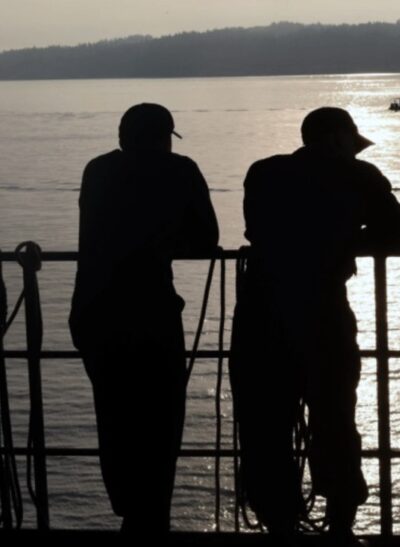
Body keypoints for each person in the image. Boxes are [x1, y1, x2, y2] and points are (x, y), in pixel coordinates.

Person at [229, 107, 400, 545]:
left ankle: (279, 526)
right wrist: (344, 242)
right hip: (323, 310)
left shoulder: (264, 172)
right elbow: (397, 232)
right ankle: (341, 527)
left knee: (265, 422)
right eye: (351, 140)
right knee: (334, 417)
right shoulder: (360, 175)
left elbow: (257, 229)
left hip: (260, 312)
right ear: (336, 138)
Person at [69, 103, 219, 534]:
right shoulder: (181, 170)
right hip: (152, 313)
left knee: (115, 419)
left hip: (95, 313)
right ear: (166, 137)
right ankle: (149, 520)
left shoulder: (96, 170)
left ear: (122, 135)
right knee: (160, 423)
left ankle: (130, 510)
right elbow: (207, 241)